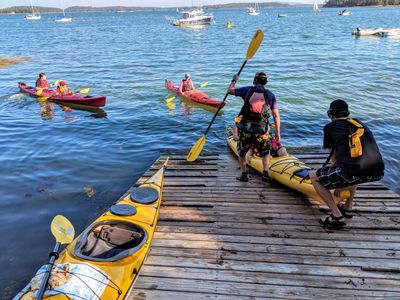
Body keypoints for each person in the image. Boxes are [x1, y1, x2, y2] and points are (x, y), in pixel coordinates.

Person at [310, 99, 385, 228]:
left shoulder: (330, 127)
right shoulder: (359, 124)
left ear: (331, 114)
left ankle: (337, 216)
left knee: (313, 176)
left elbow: (335, 159)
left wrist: (339, 185)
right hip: (377, 169)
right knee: (355, 167)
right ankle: (348, 208)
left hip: (354, 170)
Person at [228, 71, 281, 182]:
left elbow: (230, 91)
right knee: (266, 152)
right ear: (265, 82)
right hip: (262, 130)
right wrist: (277, 133)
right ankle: (265, 173)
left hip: (246, 129)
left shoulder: (247, 90)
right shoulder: (270, 95)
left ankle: (244, 175)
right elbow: (276, 115)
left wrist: (234, 80)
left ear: (254, 80)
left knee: (242, 152)